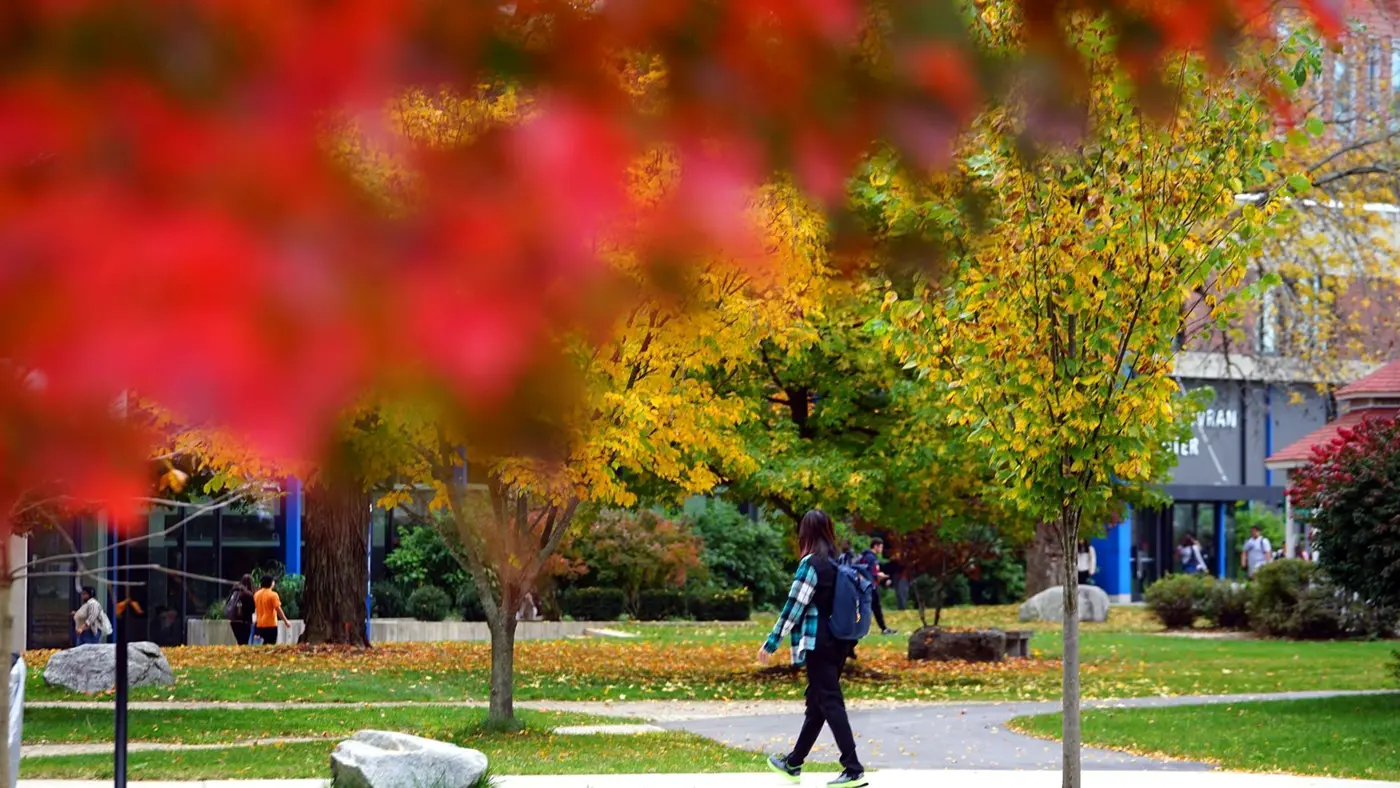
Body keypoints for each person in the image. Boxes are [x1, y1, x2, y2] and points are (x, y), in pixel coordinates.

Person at [758, 510, 866, 788]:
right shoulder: (835, 562)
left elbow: (793, 608)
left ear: (805, 533)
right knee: (817, 703)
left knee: (829, 701)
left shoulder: (811, 564)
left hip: (818, 644)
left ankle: (852, 768)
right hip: (839, 643)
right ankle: (794, 762)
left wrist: (771, 642)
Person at [857, 539, 897, 635]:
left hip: (867, 585)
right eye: (881, 547)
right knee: (872, 608)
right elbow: (870, 572)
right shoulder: (871, 558)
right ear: (875, 546)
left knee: (872, 607)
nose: (881, 549)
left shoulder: (866, 556)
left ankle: (882, 628)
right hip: (871, 586)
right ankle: (881, 628)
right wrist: (880, 575)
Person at [252, 575, 291, 646]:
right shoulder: (273, 595)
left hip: (259, 624)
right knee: (270, 645)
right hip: (270, 624)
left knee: (264, 644)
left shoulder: (256, 594)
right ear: (271, 583)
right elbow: (278, 609)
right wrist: (286, 621)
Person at [226, 574, 257, 646]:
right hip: (245, 622)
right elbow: (252, 609)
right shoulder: (249, 595)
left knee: (240, 641)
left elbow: (228, 603)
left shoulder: (234, 591)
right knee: (244, 643)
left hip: (234, 621)